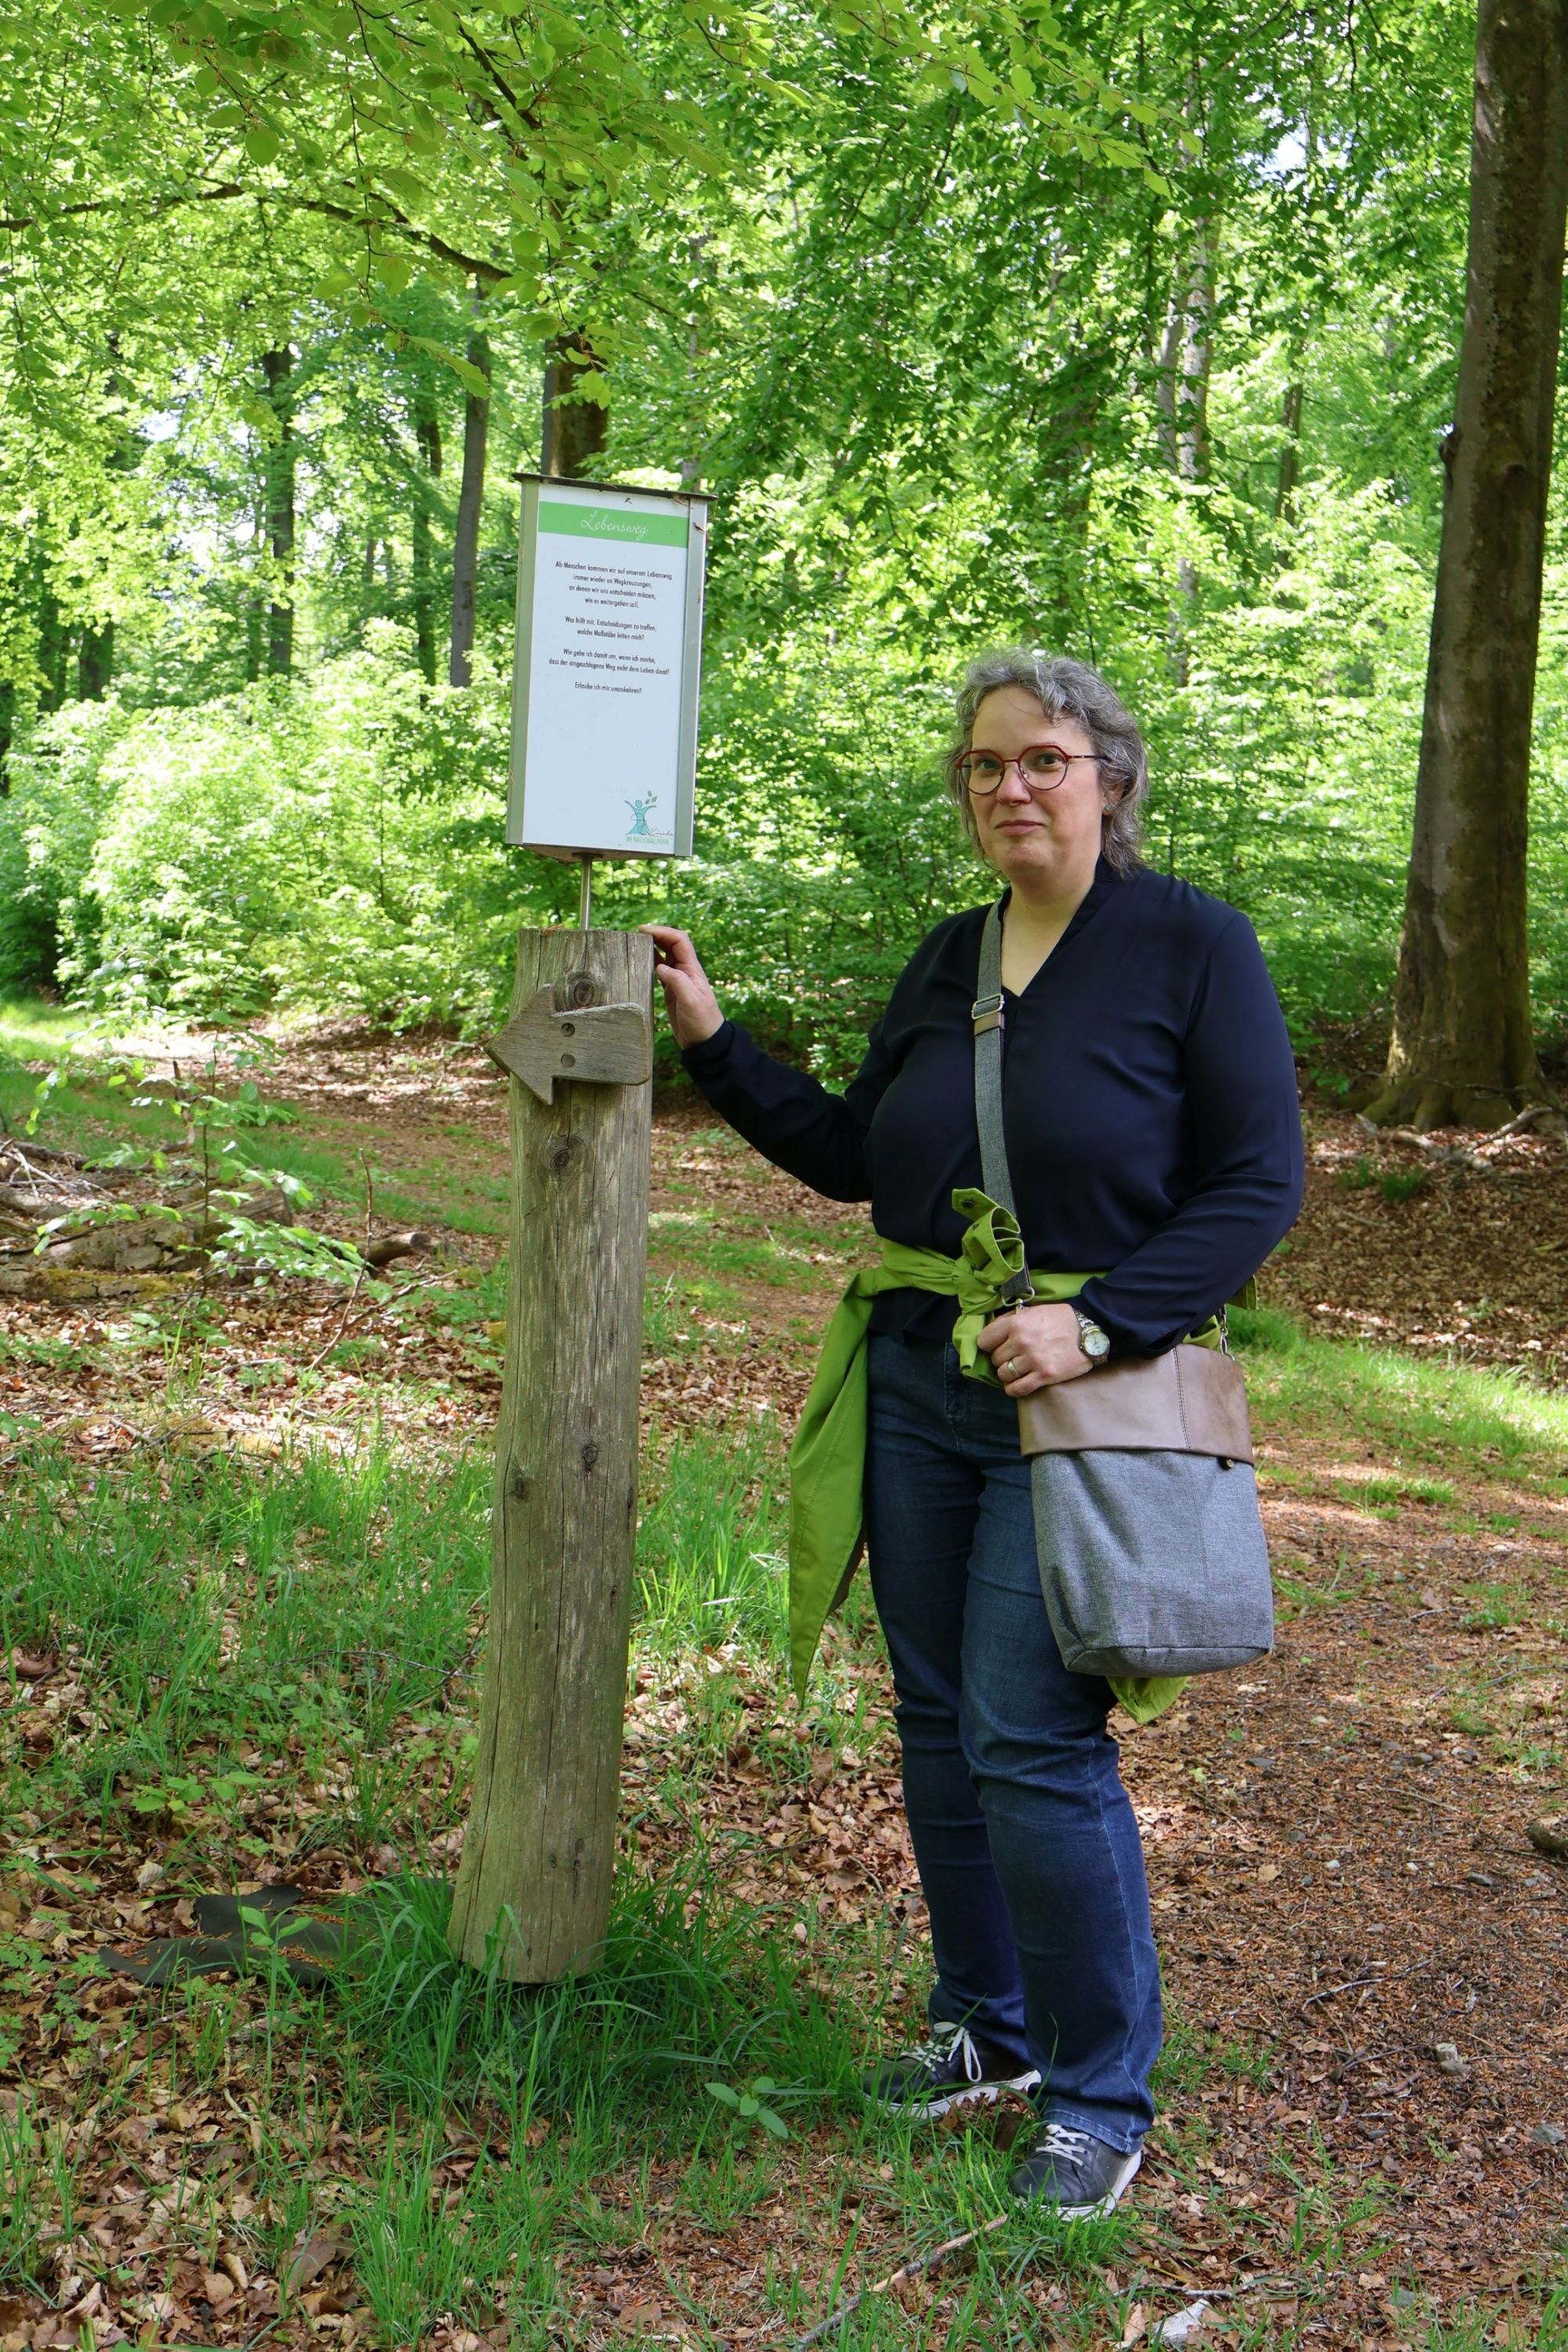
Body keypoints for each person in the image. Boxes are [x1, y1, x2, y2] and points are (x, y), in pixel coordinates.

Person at [644, 648, 1304, 2216]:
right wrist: (715, 1042)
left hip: (1077, 1399)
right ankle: (986, 2028)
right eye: (985, 765)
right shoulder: (950, 958)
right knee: (935, 1720)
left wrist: (1096, 1319)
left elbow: (1257, 1184)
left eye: (1044, 761)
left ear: (1111, 781)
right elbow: (860, 1158)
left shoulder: (1192, 946)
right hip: (918, 1377)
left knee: (1029, 1735)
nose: (1010, 785)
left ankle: (1096, 2092)